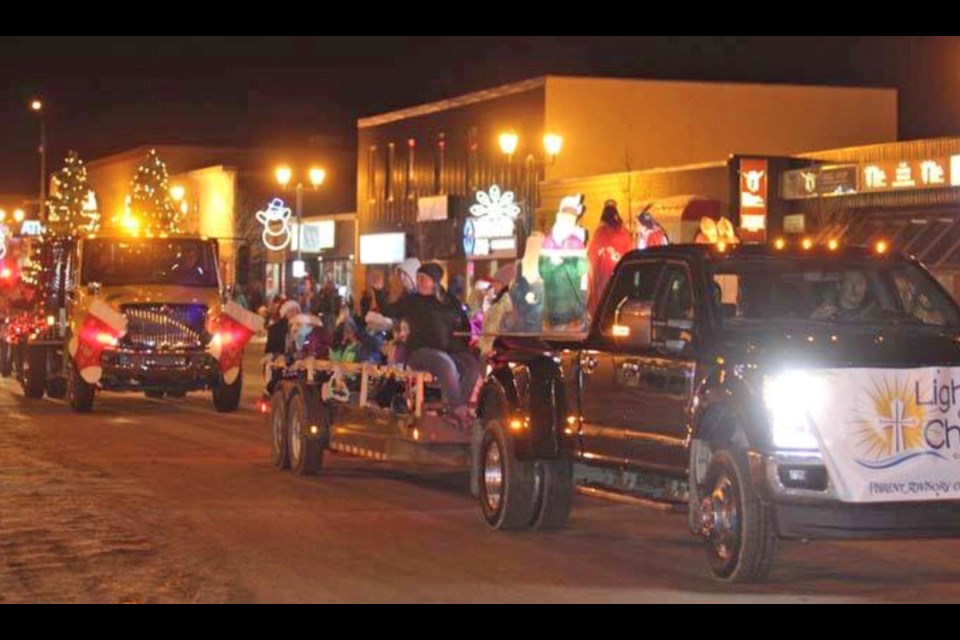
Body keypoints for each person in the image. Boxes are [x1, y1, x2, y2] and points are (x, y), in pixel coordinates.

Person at [403, 264, 481, 422]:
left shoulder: (450, 302)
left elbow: (463, 324)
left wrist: (463, 345)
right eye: (418, 279)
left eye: (423, 279)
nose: (419, 283)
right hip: (423, 350)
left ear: (435, 282)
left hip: (448, 348)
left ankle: (460, 405)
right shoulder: (416, 302)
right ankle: (457, 407)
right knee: (445, 364)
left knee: (472, 365)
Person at [811, 270, 878, 321]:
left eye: (860, 283)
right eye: (849, 282)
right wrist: (815, 320)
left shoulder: (875, 316)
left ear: (866, 287)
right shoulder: (825, 313)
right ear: (839, 286)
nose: (855, 288)